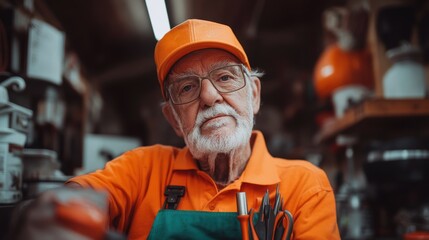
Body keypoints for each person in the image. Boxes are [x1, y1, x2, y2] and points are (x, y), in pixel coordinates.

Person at [16, 19, 340, 240]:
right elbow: (82, 197)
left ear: (254, 95)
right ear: (173, 119)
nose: (210, 96)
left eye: (225, 77)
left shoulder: (304, 187)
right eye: (187, 88)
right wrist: (59, 210)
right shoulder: (143, 170)